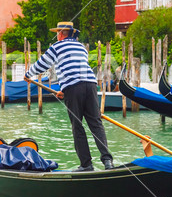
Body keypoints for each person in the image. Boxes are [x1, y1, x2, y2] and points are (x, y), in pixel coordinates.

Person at [24, 21, 114, 171]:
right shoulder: (81, 47)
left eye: (57, 33)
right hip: (90, 85)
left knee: (77, 125)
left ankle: (86, 164)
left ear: (60, 34)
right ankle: (108, 162)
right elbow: (76, 70)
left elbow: (43, 64)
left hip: (74, 87)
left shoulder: (57, 47)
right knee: (96, 124)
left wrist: (28, 74)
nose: (56, 36)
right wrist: (64, 91)